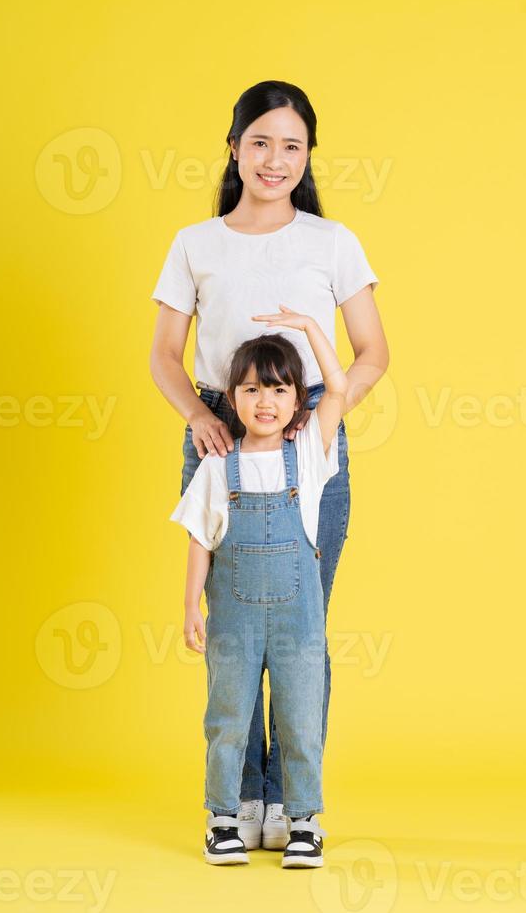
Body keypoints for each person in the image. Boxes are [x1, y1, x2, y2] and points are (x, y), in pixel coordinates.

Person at [150, 79, 389, 851]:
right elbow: (163, 353)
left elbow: (373, 352)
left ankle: (292, 800)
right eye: (260, 141)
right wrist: (197, 417)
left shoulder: (331, 240)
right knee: (234, 627)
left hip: (312, 423)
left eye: (292, 145)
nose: (275, 159)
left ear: (308, 155)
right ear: (234, 148)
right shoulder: (196, 242)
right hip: (222, 424)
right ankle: (237, 802)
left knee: (299, 628)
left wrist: (328, 407)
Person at [170, 313, 346, 867]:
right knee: (227, 715)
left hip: (299, 617)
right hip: (233, 617)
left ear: (298, 401)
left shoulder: (313, 457)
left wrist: (310, 326)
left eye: (278, 388)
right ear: (232, 398)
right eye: (251, 388)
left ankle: (303, 821)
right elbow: (201, 536)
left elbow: (340, 387)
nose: (264, 400)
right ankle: (224, 817)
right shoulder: (218, 466)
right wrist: (189, 603)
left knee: (299, 716)